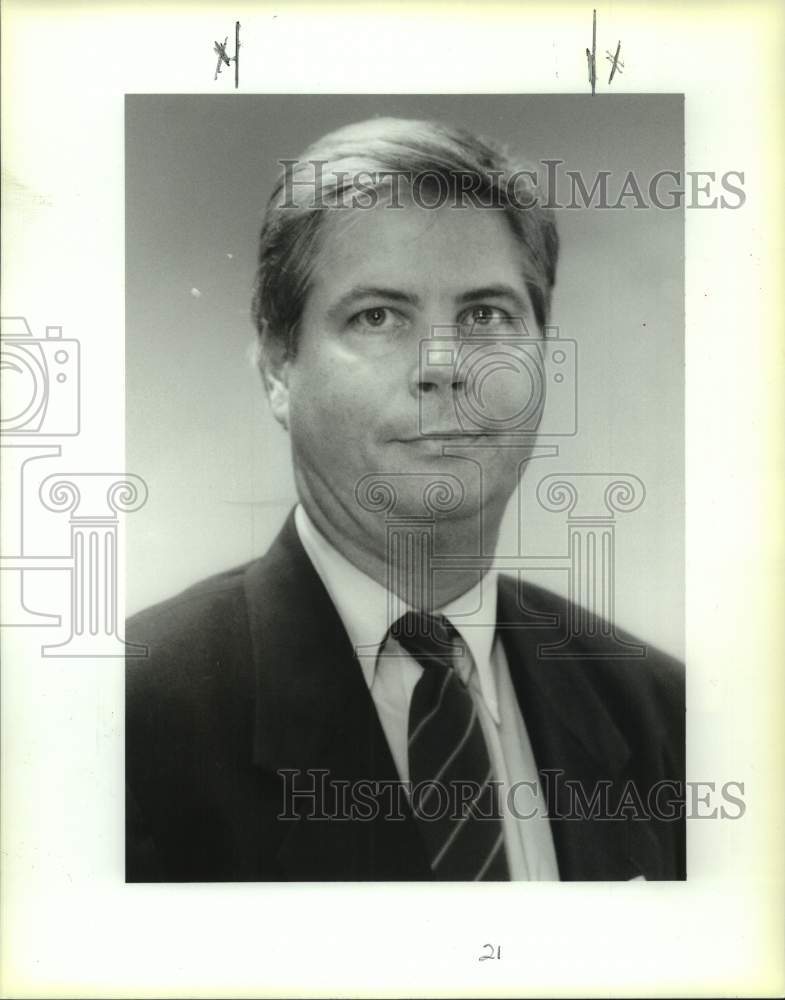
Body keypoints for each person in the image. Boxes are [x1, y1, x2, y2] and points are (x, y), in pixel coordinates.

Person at [126, 117, 685, 882]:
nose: (445, 366)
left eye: (486, 314)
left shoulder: (661, 715)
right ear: (277, 370)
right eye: (378, 316)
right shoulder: (123, 719)